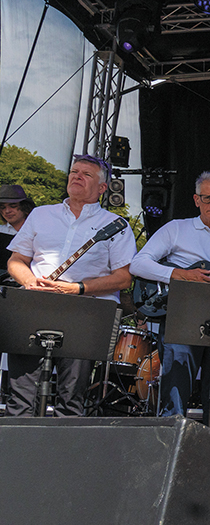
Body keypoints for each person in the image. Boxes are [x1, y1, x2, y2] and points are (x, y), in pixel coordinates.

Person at [6, 155, 136, 416]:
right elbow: (16, 260)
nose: (76, 176)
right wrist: (31, 282)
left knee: (71, 397)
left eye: (86, 174)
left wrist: (78, 288)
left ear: (102, 188)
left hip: (85, 311)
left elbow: (123, 278)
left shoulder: (115, 225)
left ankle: (64, 454)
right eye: (74, 172)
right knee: (20, 396)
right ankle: (14, 454)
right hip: (35, 304)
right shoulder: (42, 214)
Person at [129, 171, 210, 435]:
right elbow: (138, 264)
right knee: (176, 385)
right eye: (207, 198)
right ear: (196, 200)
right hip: (182, 317)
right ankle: (170, 442)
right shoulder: (176, 229)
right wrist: (180, 275)